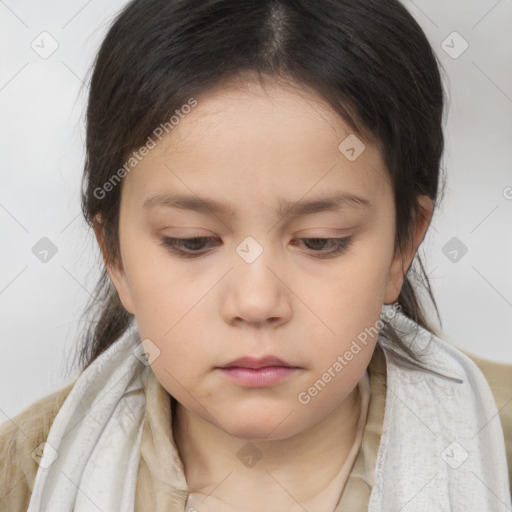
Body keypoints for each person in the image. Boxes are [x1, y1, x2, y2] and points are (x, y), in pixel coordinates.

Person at [1, 0, 511, 510]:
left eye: (320, 241)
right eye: (191, 242)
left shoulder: (497, 447)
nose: (256, 301)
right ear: (114, 254)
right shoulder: (24, 476)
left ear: (403, 245)